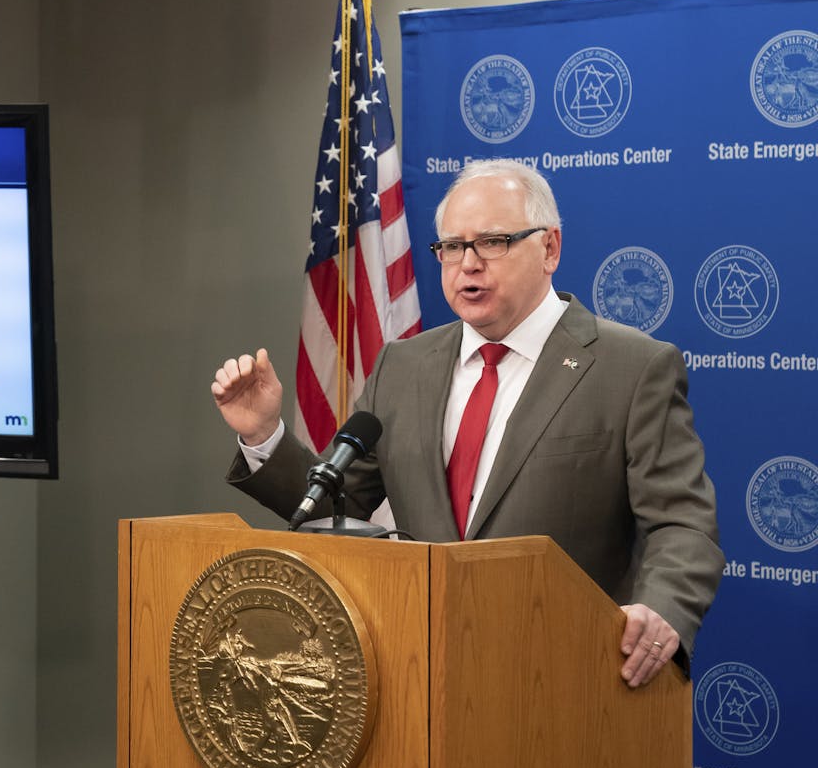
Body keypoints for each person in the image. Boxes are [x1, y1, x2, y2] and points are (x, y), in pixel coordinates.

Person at [212, 159, 723, 689]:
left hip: (568, 678)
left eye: (493, 242)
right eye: (452, 246)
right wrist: (263, 434)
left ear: (550, 248)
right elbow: (337, 505)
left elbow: (682, 523)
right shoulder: (402, 366)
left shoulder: (631, 368)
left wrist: (662, 610)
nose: (468, 264)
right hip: (421, 669)